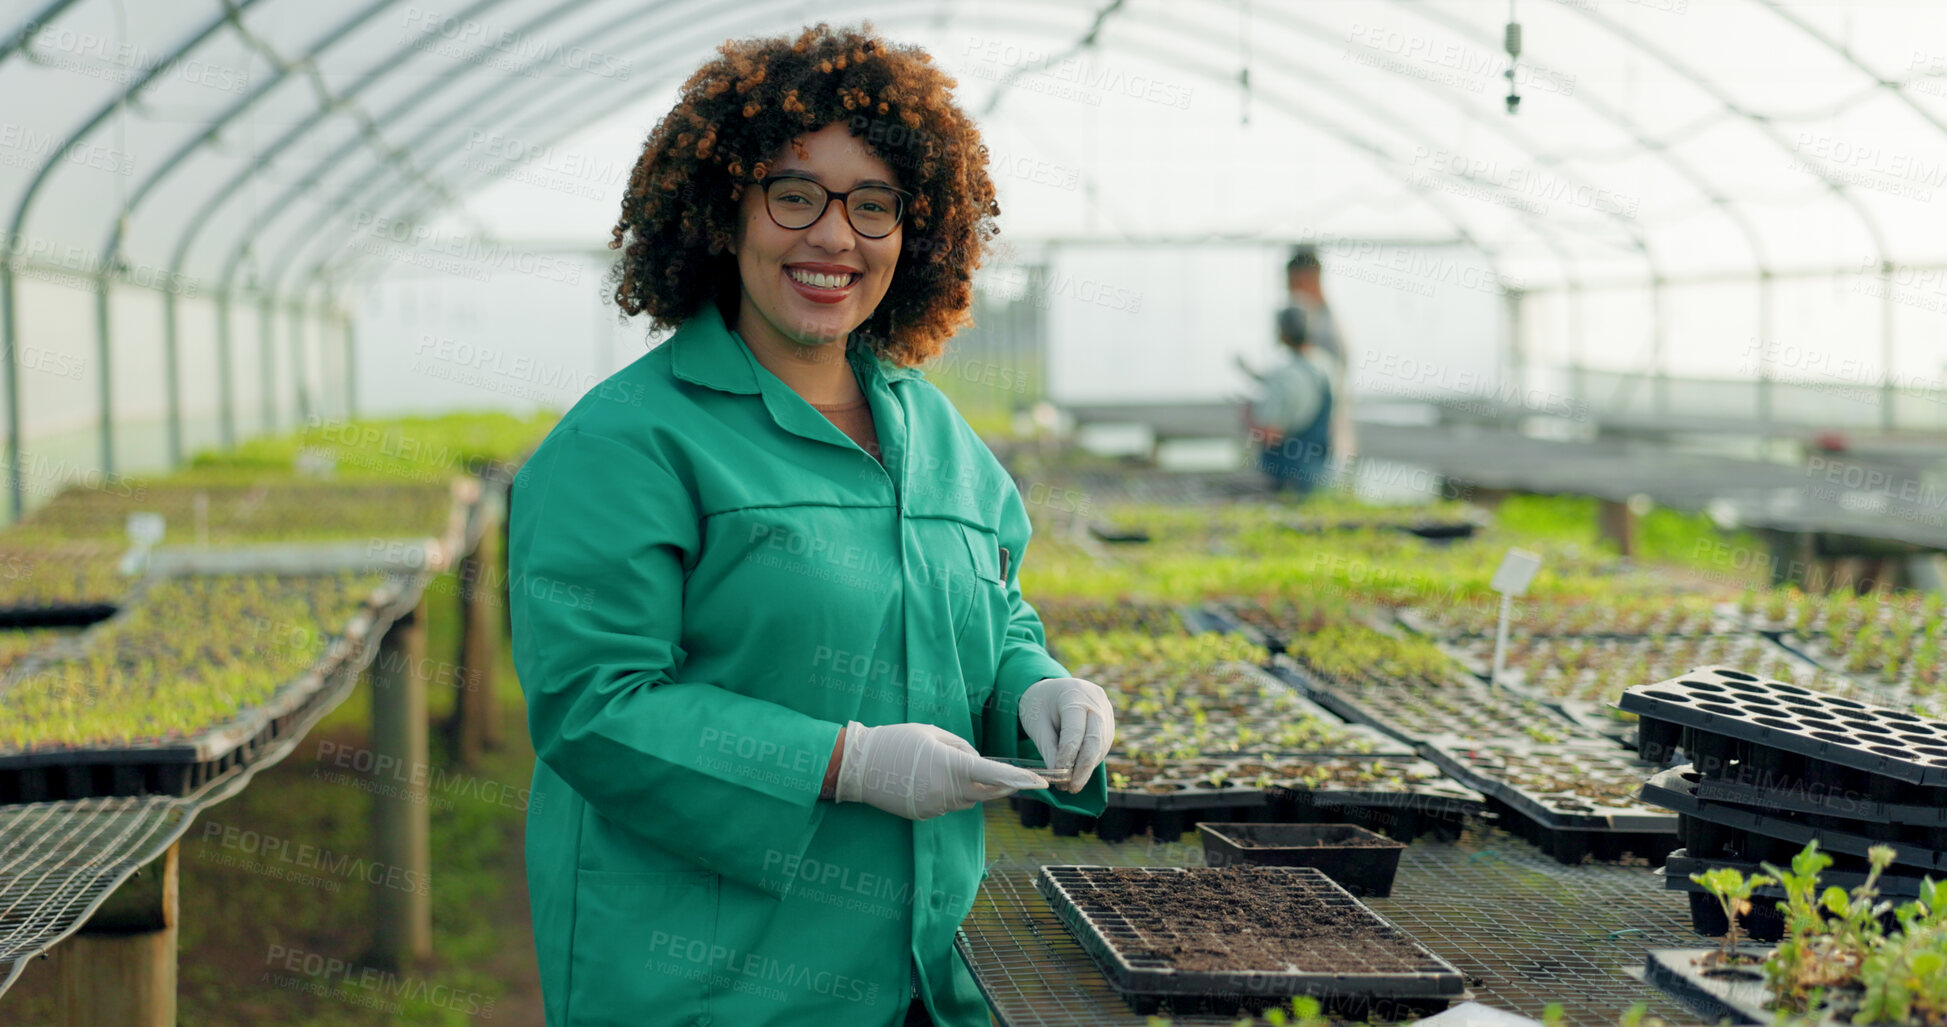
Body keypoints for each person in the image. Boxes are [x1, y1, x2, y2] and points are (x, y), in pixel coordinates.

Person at [507, 24, 1114, 1027]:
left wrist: (1036, 684)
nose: (835, 236)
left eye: (873, 204)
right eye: (795, 195)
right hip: (719, 984)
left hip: (928, 970)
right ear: (723, 213)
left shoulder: (935, 432)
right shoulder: (630, 441)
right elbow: (594, 704)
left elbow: (986, 612)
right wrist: (847, 760)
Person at [1247, 305, 1335, 494]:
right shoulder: (1326, 367)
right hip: (1318, 475)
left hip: (1286, 481)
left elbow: (1270, 435)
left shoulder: (1285, 377)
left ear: (1282, 333)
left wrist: (1248, 417)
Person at [1284, 244, 1357, 461]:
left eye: (1291, 283)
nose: (1289, 291)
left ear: (1306, 279)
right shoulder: (1315, 321)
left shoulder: (1322, 329)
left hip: (1321, 444)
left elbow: (1320, 391)